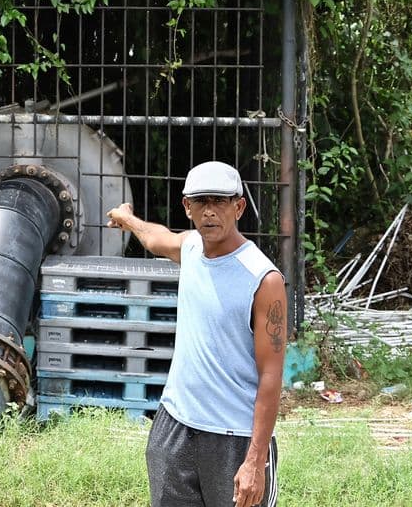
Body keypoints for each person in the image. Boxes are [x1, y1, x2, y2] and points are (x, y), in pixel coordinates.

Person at [106, 161, 286, 507]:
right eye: (201, 201)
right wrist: (127, 218)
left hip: (233, 437)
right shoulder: (190, 248)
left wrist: (254, 461)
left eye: (220, 201)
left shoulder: (263, 279)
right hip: (175, 424)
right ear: (187, 207)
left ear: (239, 207)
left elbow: (271, 375)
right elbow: (156, 238)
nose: (210, 211)